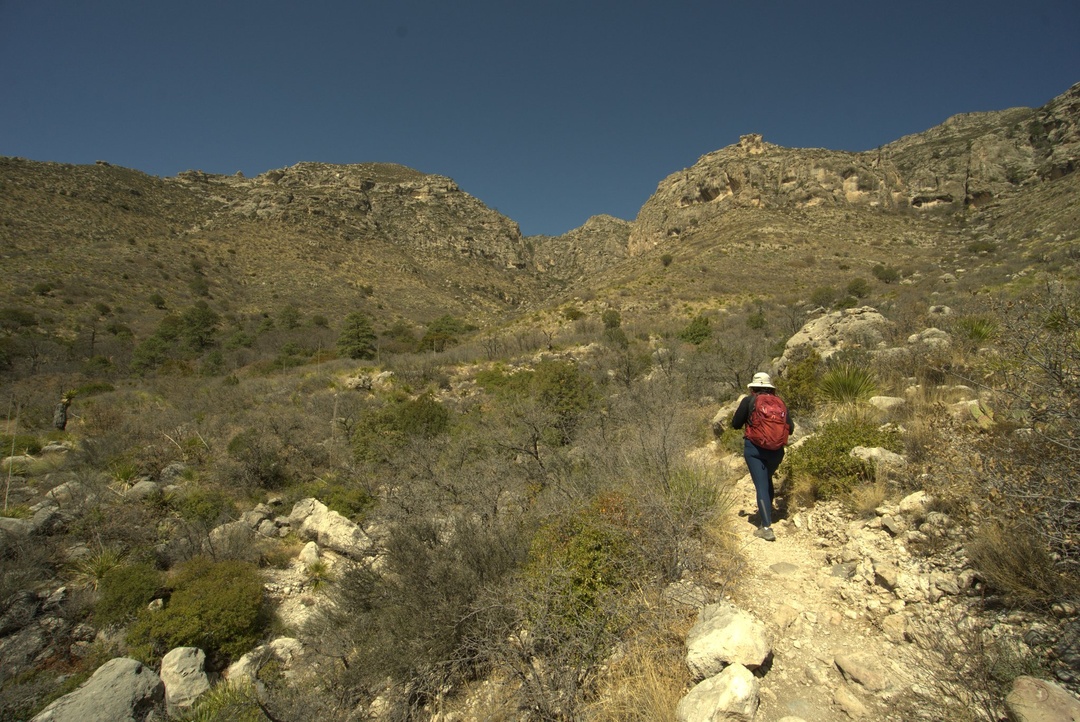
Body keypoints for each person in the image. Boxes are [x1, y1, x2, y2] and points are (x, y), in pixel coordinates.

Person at [731, 372, 793, 541]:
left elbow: (736, 424)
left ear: (754, 388)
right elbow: (791, 428)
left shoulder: (749, 401)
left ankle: (766, 527)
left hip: (755, 450)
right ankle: (767, 516)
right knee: (766, 480)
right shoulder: (780, 403)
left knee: (761, 485)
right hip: (777, 451)